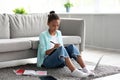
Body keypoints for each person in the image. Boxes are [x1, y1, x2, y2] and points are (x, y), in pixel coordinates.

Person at [37, 11, 94, 78]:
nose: (55, 28)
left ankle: (85, 69)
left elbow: (62, 50)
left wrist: (59, 49)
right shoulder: (43, 35)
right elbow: (44, 53)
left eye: (57, 25)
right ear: (48, 24)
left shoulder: (59, 33)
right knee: (61, 48)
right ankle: (74, 71)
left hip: (59, 61)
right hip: (46, 62)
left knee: (71, 47)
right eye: (53, 25)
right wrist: (54, 48)